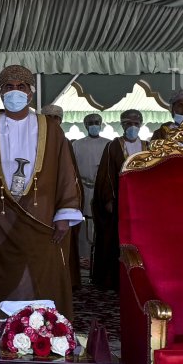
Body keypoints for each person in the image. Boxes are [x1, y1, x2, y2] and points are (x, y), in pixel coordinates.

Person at [0, 65, 81, 330]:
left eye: (21, 87)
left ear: (31, 94)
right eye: (9, 87)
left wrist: (64, 214)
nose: (15, 92)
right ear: (0, 93)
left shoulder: (50, 128)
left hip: (42, 217)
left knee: (41, 275)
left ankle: (44, 333)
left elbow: (66, 173)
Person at [90, 109, 147, 290]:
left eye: (136, 123)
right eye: (128, 123)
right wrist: (108, 200)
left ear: (141, 124)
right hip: (118, 202)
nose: (132, 127)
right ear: (122, 125)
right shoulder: (113, 146)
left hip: (141, 204)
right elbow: (105, 175)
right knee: (114, 240)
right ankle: (113, 279)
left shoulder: (148, 146)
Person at [71, 112, 109, 262]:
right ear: (85, 126)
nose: (94, 125)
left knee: (99, 221)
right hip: (83, 188)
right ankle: (83, 257)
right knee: (83, 222)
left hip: (101, 190)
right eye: (91, 122)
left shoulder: (109, 143)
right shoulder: (77, 144)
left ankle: (98, 257)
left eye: (97, 122)